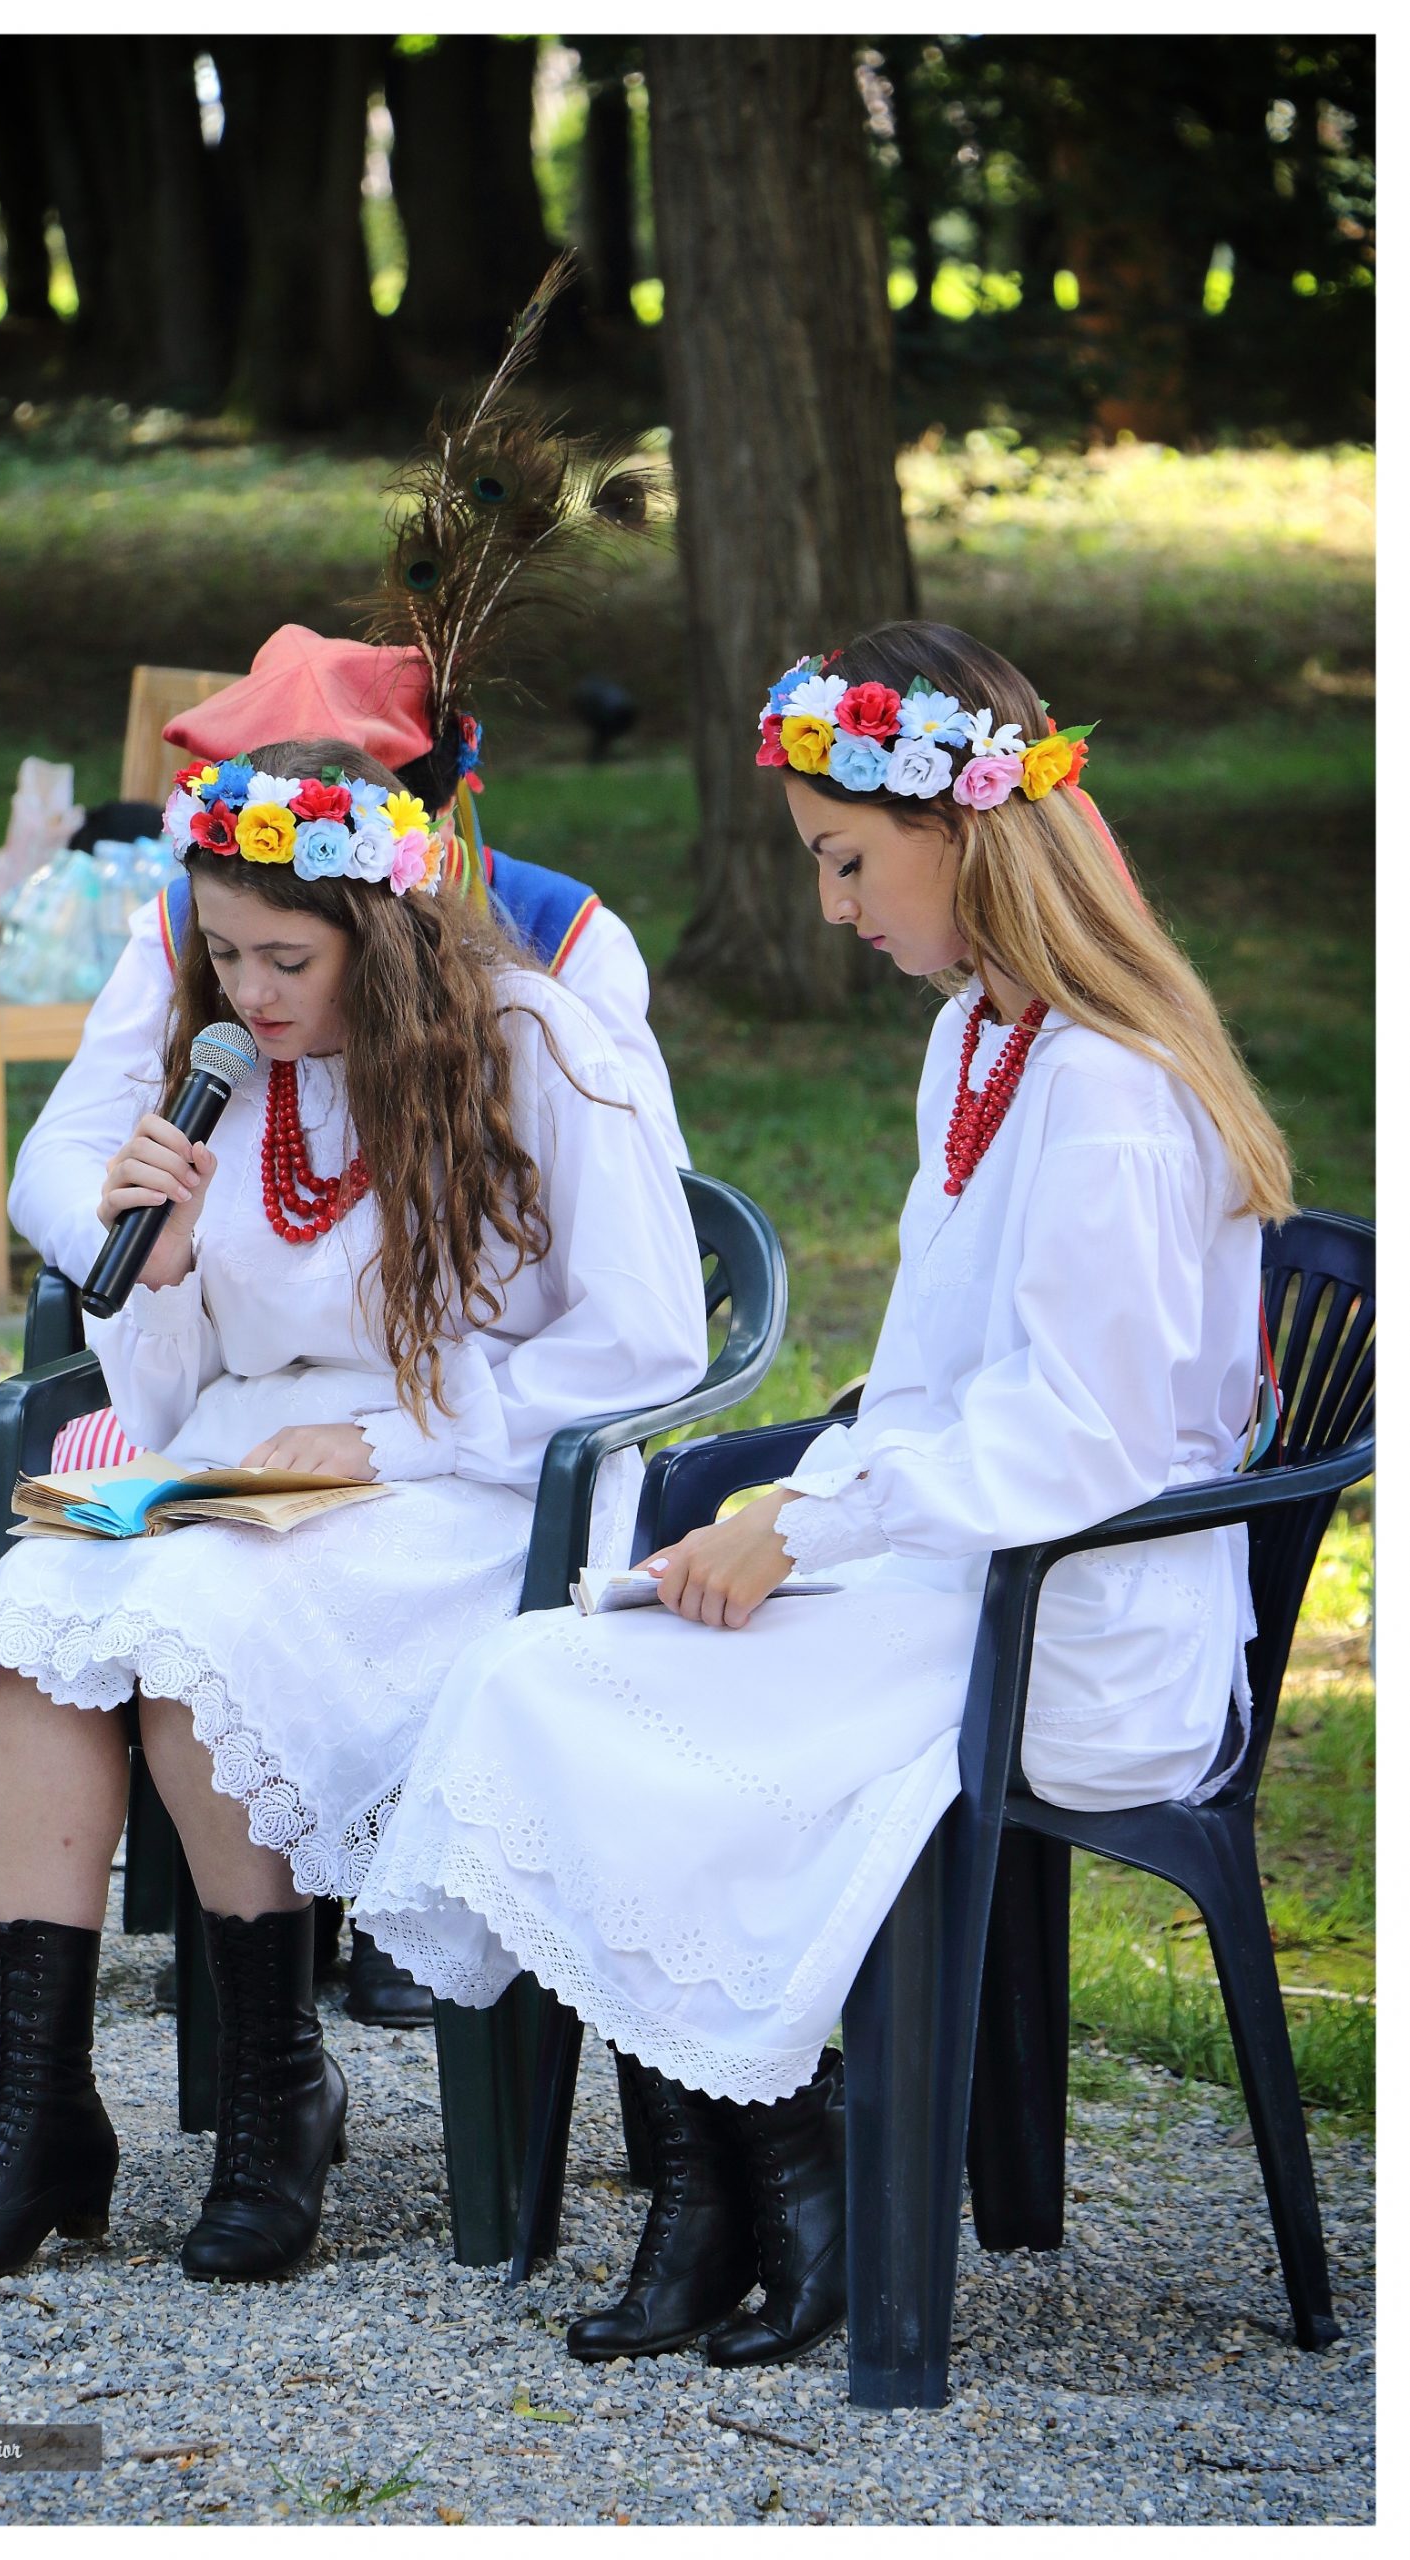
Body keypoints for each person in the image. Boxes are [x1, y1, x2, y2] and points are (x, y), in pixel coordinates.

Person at [357, 619, 1294, 2372]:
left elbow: (1079, 1440)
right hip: (964, 1570)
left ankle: (792, 2181)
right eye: (815, 862)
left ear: (964, 833)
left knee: (625, 1704)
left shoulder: (1102, 1087)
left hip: (1073, 1622)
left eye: (848, 859)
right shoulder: (976, 1043)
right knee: (554, 1667)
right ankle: (720, 2186)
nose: (829, 904)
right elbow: (934, 1390)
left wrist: (804, 1524)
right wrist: (801, 1504)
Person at [0, 736, 709, 2288]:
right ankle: (38, 2114)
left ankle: (277, 2100)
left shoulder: (532, 1041)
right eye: (222, 954)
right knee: (32, 1610)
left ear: (383, 934)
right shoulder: (223, 1079)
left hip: (471, 1478)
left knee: (202, 1627)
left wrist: (394, 1438)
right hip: (249, 1455)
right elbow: (171, 1388)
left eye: (288, 957)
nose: (251, 992)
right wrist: (164, 1264)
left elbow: (649, 1340)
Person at [9, 627, 688, 1296]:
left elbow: (651, 1199)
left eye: (290, 957)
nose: (251, 986)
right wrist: (141, 1260)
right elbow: (61, 1154)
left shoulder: (562, 936)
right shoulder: (188, 927)